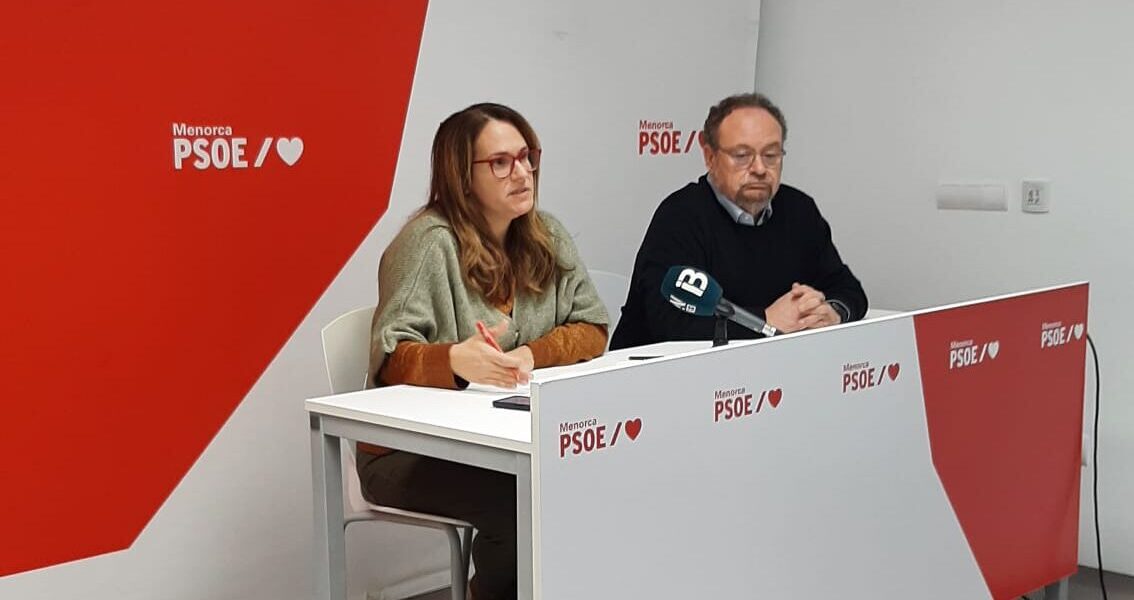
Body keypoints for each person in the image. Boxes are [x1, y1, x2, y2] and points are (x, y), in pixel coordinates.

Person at [358, 103, 608, 600]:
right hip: (408, 453)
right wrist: (452, 360)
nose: (522, 172)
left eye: (527, 156)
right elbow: (389, 359)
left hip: (508, 442)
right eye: (500, 162)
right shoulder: (428, 244)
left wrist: (532, 354)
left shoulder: (546, 234)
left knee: (590, 478)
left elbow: (593, 327)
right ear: (462, 177)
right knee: (522, 499)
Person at [610, 92, 867, 349]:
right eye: (742, 155)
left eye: (771, 155)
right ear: (710, 157)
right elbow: (670, 324)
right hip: (660, 369)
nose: (759, 169)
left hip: (770, 365)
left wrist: (829, 313)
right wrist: (766, 321)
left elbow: (848, 289)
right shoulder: (680, 216)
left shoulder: (799, 209)